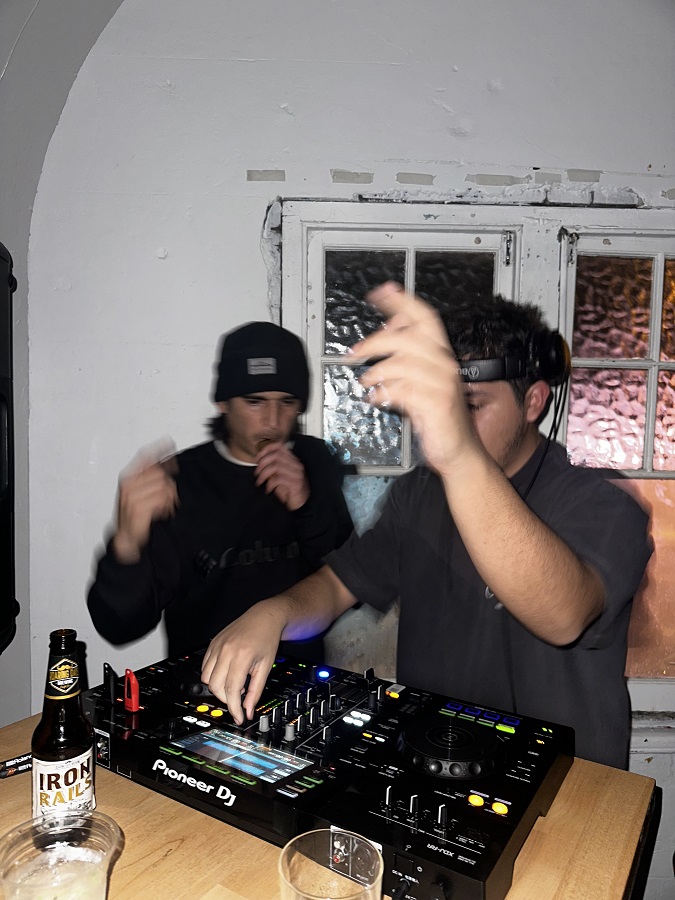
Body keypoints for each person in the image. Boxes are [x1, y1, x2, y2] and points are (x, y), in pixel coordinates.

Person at [199, 283, 652, 770]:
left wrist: (458, 452)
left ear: (534, 402)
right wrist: (274, 613)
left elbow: (564, 616)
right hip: (434, 764)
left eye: (470, 406)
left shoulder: (602, 503)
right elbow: (336, 586)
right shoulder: (418, 494)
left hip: (561, 785)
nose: (443, 424)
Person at [87, 321, 353, 661]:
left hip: (301, 679)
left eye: (287, 402)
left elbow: (353, 583)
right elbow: (120, 626)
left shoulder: (314, 461)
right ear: (223, 402)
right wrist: (127, 543)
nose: (273, 420)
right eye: (255, 402)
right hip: (203, 680)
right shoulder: (183, 481)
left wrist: (306, 507)